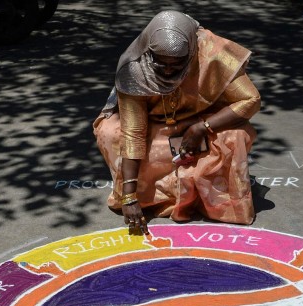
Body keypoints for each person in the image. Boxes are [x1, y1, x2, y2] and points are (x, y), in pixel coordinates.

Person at [93, 10, 262, 233]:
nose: (169, 72)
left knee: (236, 136)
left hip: (200, 121)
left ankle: (207, 200)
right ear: (148, 53)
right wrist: (129, 196)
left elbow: (251, 100)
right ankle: (148, 197)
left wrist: (203, 127)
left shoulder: (214, 53)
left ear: (192, 51)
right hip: (152, 126)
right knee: (110, 132)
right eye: (161, 64)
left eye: (177, 64)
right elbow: (134, 132)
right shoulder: (133, 67)